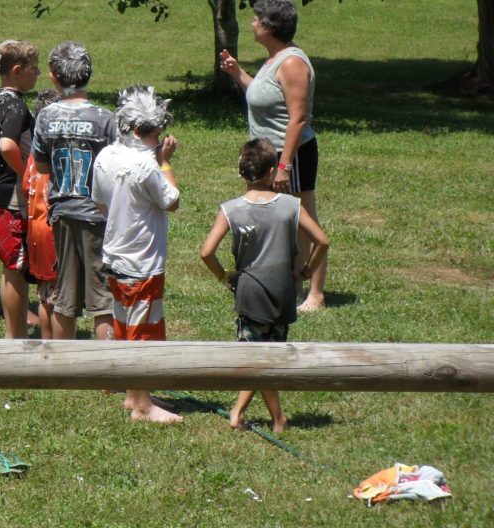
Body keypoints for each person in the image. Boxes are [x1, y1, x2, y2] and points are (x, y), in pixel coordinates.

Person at [199, 138, 329, 433]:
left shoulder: (231, 209)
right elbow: (322, 241)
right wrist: (306, 272)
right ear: (273, 171)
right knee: (267, 355)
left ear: (241, 170)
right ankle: (265, 417)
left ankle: (251, 415)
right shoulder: (290, 206)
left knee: (256, 356)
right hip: (283, 290)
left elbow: (206, 252)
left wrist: (224, 276)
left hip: (249, 291)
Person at [219, 0, 327, 311]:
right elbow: (264, 95)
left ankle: (315, 294)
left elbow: (298, 117)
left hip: (289, 154)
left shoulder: (292, 63)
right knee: (280, 222)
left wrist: (284, 164)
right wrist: (238, 74)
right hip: (270, 155)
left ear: (269, 26)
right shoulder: (274, 59)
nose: (252, 23)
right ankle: (291, 283)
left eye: (256, 19)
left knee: (304, 223)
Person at [93, 85, 183, 423]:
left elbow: (100, 203)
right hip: (143, 262)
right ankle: (144, 406)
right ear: (138, 130)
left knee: (124, 325)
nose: (158, 142)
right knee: (144, 332)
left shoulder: (105, 156)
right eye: (155, 136)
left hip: (115, 257)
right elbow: (172, 200)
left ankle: (133, 395)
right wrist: (165, 162)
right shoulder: (147, 165)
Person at [31, 41, 116, 341]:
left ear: (53, 76)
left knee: (64, 295)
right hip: (98, 216)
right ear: (89, 75)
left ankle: (65, 365)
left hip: (63, 213)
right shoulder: (105, 119)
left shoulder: (46, 116)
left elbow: (41, 166)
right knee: (103, 297)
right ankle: (108, 373)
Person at [0, 39, 40, 337]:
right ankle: (17, 338)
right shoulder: (14, 105)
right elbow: (6, 142)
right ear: (18, 70)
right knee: (17, 269)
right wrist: (26, 172)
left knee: (10, 267)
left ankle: (13, 334)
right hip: (15, 196)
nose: (37, 73)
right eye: (33, 68)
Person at [22, 89, 61, 340]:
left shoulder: (35, 154)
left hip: (35, 231)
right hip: (53, 233)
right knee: (58, 298)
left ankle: (47, 343)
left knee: (45, 294)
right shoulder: (57, 156)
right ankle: (60, 347)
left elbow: (26, 185)